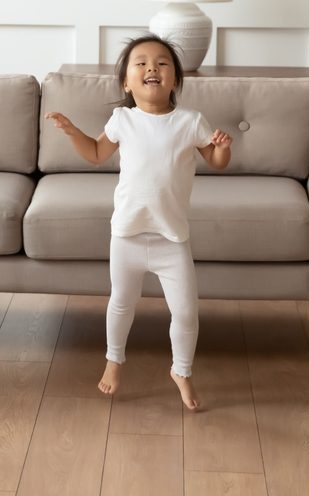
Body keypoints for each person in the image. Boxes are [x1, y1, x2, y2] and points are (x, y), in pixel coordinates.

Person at [45, 34, 230, 410]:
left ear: (175, 79)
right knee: (121, 303)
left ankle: (182, 370)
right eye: (141, 63)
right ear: (126, 83)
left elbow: (215, 160)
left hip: (171, 239)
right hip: (127, 235)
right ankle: (114, 360)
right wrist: (73, 132)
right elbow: (96, 153)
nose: (152, 68)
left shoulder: (190, 121)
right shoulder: (123, 120)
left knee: (186, 312)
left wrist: (223, 149)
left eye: (162, 63)